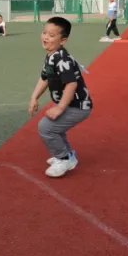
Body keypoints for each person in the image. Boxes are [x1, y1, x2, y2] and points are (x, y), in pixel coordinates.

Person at [29, 16, 93, 178]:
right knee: (55, 128)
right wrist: (34, 97)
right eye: (44, 33)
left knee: (46, 127)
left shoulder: (61, 59)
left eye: (51, 35)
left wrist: (59, 108)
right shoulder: (51, 56)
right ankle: (67, 155)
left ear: (63, 41)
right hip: (71, 104)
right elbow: (45, 78)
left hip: (78, 106)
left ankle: (63, 159)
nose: (45, 37)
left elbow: (71, 84)